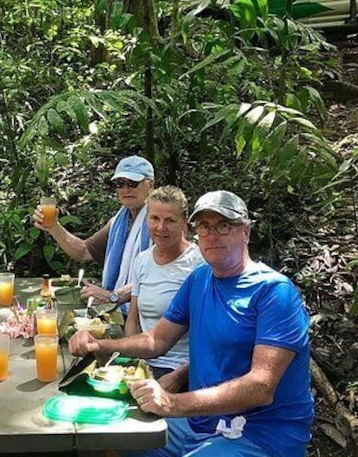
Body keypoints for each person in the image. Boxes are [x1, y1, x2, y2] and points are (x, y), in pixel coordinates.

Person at [69, 190, 313, 457]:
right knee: (112, 439)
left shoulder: (274, 292)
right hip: (202, 423)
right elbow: (156, 340)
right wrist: (99, 344)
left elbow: (261, 387)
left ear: (246, 232)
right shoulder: (200, 279)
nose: (212, 235)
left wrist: (173, 403)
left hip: (260, 437)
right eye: (205, 227)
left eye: (223, 226)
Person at [33, 155, 154, 313]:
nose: (125, 189)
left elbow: (156, 275)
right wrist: (54, 227)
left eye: (132, 183)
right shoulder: (118, 222)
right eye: (120, 183)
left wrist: (112, 296)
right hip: (118, 312)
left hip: (148, 317)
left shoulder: (159, 222)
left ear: (150, 184)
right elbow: (83, 251)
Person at [127, 186, 203, 380]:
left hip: (181, 369)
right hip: (144, 364)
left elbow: (211, 335)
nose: (161, 228)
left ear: (185, 222)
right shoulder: (142, 261)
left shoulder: (199, 265)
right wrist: (132, 363)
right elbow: (133, 320)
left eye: (170, 220)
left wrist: (180, 377)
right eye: (154, 218)